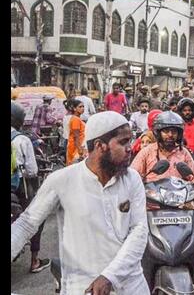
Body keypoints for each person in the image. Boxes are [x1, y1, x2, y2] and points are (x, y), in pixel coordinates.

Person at [12, 111, 150, 295]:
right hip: (83, 287)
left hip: (131, 285)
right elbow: (26, 225)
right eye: (123, 142)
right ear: (100, 146)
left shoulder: (132, 179)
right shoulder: (62, 180)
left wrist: (109, 276)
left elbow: (139, 231)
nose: (130, 148)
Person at [11, 102, 51, 274]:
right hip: (18, 187)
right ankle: (35, 261)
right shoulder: (21, 139)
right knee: (35, 219)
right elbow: (32, 171)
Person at [66, 99, 87, 166]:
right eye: (80, 107)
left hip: (78, 146)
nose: (82, 108)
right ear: (74, 108)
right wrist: (79, 150)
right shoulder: (75, 119)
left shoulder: (77, 118)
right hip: (76, 148)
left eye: (83, 106)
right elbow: (76, 136)